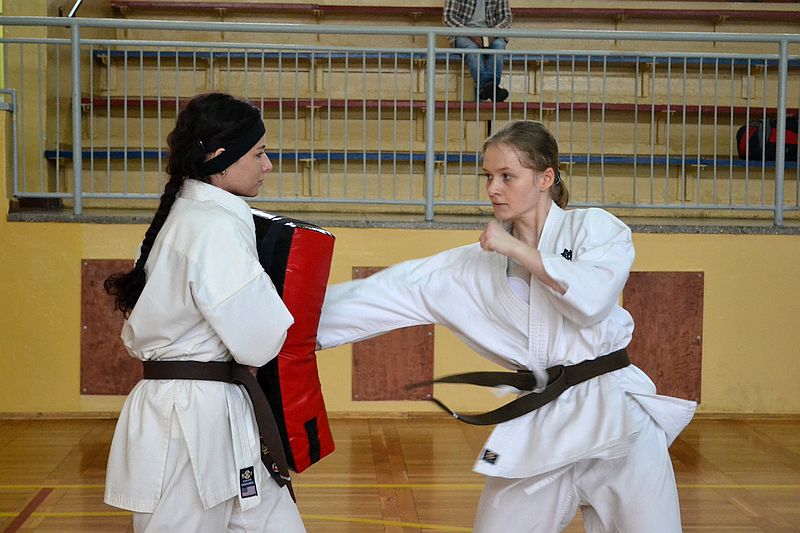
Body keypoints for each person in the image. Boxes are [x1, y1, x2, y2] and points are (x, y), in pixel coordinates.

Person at [316, 120, 697, 532]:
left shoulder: (594, 229)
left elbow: (591, 298)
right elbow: (387, 292)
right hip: (542, 421)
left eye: (507, 176)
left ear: (545, 179)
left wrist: (516, 248)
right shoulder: (469, 266)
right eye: (488, 176)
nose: (493, 188)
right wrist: (284, 320)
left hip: (618, 418)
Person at [103, 92, 306, 533]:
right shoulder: (213, 227)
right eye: (258, 153)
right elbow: (258, 340)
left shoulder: (189, 216)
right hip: (190, 422)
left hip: (209, 410)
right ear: (220, 158)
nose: (268, 165)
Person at [444, 0, 512, 102]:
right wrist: (470, 34)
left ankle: (486, 89)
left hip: (492, 32)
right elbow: (449, 17)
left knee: (499, 46)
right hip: (463, 33)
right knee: (472, 49)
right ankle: (492, 89)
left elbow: (506, 18)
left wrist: (493, 34)